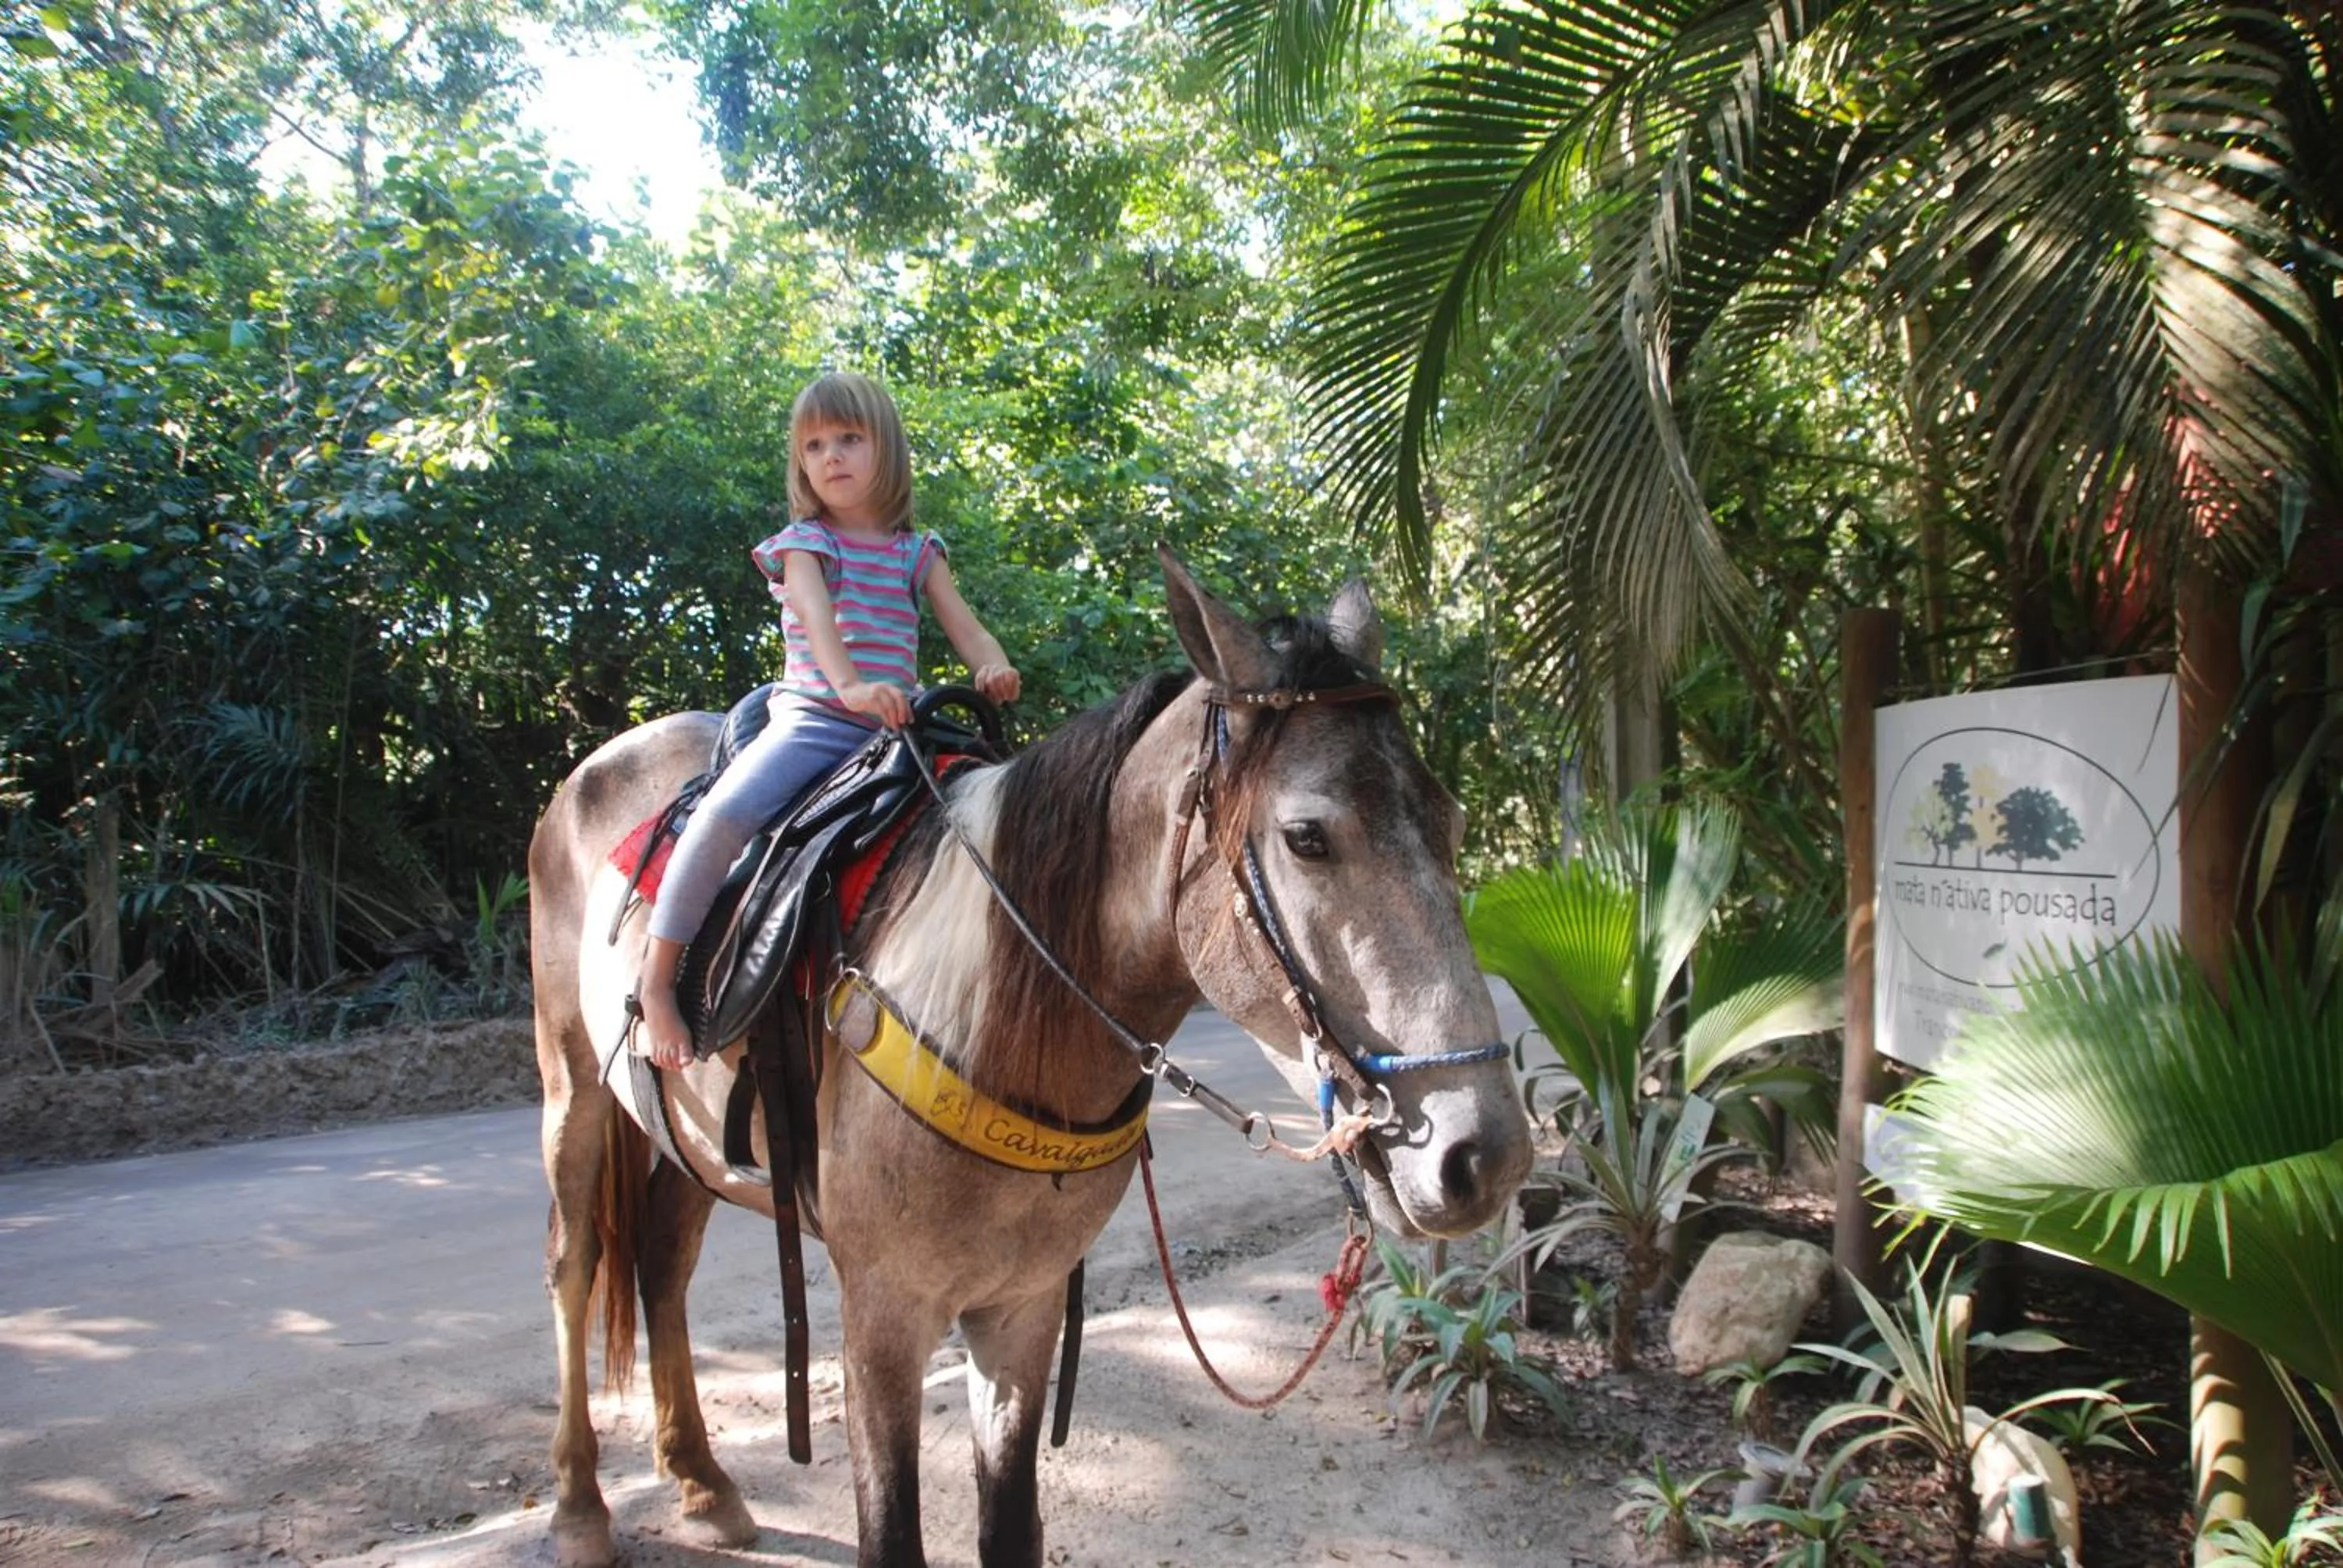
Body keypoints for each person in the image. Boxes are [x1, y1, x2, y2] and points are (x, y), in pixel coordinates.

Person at [633, 371, 1020, 1068]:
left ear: (888, 451)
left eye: (849, 439)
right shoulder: (807, 543)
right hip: (817, 719)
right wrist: (850, 686)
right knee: (725, 815)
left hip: (895, 730)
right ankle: (657, 979)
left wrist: (990, 666)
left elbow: (967, 628)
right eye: (814, 446)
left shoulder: (916, 552)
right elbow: (814, 618)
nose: (831, 456)